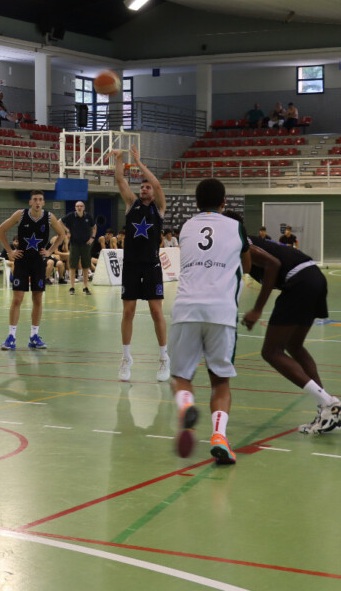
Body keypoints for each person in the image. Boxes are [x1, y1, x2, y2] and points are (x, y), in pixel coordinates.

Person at [236, 213, 341, 434]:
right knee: (294, 346)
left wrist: (257, 309)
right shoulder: (242, 245)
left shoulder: (241, 241)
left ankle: (330, 402)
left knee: (271, 352)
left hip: (300, 281)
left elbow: (273, 264)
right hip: (314, 278)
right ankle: (325, 411)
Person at [170, 178, 250, 463]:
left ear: (195, 203)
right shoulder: (235, 226)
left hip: (186, 309)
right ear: (224, 202)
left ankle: (186, 405)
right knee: (220, 381)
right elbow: (247, 261)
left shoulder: (186, 228)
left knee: (181, 377)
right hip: (221, 310)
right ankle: (219, 436)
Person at [112, 148, 170, 381]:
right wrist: (119, 159)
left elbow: (157, 185)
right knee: (128, 311)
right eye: (142, 186)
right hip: (132, 266)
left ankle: (164, 358)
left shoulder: (159, 208)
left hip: (152, 266)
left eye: (147, 187)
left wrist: (138, 161)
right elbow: (119, 179)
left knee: (157, 311)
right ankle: (126, 358)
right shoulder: (131, 204)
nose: (144, 188)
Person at [0, 190, 69, 350]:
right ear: (30, 202)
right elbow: (0, 230)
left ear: (43, 203)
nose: (37, 202)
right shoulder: (20, 215)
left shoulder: (49, 217)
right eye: (35, 199)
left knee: (37, 299)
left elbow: (62, 234)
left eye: (40, 199)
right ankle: (11, 337)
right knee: (17, 299)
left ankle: (34, 336)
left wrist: (50, 251)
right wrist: (9, 251)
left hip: (38, 262)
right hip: (21, 261)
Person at [60, 200, 96, 296]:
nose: (79, 207)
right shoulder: (71, 216)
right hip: (74, 244)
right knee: (72, 266)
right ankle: (72, 287)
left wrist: (92, 238)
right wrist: (67, 230)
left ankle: (85, 287)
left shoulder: (88, 217)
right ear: (75, 207)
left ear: (84, 207)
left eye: (81, 206)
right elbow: (59, 221)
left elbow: (94, 227)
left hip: (85, 245)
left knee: (85, 266)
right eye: (77, 206)